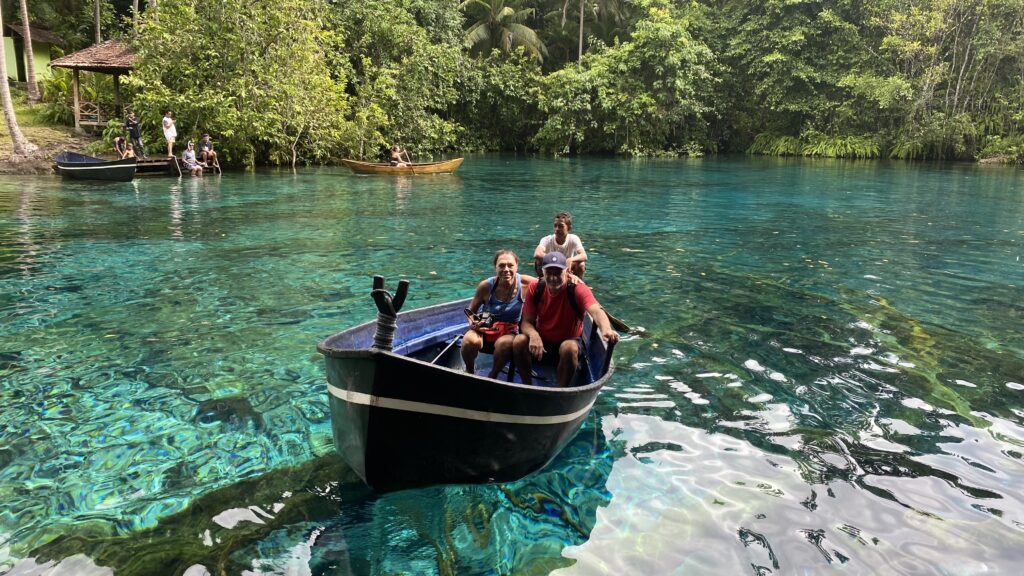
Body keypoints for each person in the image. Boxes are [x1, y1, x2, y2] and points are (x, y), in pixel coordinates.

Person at [513, 251, 619, 387]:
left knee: (568, 348)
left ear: (567, 271)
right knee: (519, 341)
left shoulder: (578, 289)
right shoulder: (536, 287)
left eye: (558, 272)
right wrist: (534, 335)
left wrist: (606, 330)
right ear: (543, 272)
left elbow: (596, 311)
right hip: (541, 344)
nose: (553, 277)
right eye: (549, 272)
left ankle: (561, 390)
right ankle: (526, 385)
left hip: (568, 343)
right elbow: (527, 321)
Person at [461, 250, 537, 377]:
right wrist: (473, 323)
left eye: (510, 265)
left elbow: (549, 281)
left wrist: (570, 277)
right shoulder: (486, 286)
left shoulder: (526, 283)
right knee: (469, 341)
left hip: (509, 331)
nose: (506, 269)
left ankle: (493, 375)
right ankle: (469, 371)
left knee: (503, 345)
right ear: (495, 267)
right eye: (501, 265)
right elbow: (471, 312)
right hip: (485, 328)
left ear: (516, 266)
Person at [533, 211, 587, 279]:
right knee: (538, 261)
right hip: (550, 266)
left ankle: (576, 285)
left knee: (581, 264)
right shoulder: (547, 239)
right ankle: (542, 282)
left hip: (566, 268)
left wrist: (571, 259)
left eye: (561, 226)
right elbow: (537, 254)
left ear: (569, 228)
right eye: (555, 226)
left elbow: (584, 255)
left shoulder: (573, 238)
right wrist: (557, 260)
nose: (557, 229)